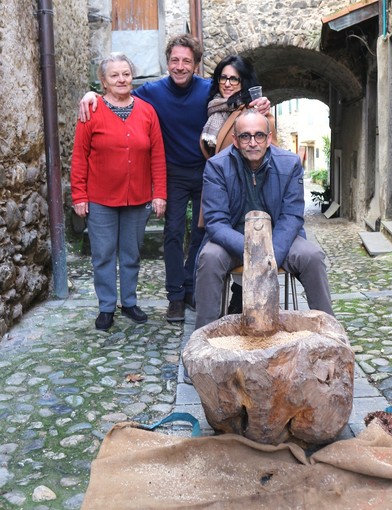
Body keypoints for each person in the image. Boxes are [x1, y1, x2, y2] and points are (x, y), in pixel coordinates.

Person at [78, 35, 271, 323]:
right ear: (167, 62)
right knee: (172, 233)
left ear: (196, 65)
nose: (180, 66)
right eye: (175, 60)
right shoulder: (151, 92)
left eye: (187, 61)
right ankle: (175, 296)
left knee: (202, 233)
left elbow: (239, 100)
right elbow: (119, 96)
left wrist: (262, 101)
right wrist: (90, 95)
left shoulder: (210, 90)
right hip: (173, 173)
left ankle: (192, 289)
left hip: (209, 172)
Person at [194, 109, 335, 330]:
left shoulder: (289, 164)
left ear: (269, 138)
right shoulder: (217, 166)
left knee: (312, 256)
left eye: (259, 135)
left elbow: (292, 217)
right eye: (245, 136)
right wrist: (253, 250)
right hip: (233, 239)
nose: (252, 142)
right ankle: (203, 338)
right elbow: (216, 222)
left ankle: (329, 332)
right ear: (235, 140)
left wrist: (270, 254)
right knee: (209, 258)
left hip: (279, 238)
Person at [71, 52, 167, 331]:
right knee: (102, 254)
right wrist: (79, 195)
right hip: (100, 198)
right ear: (103, 81)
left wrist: (159, 193)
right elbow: (79, 156)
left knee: (131, 253)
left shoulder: (147, 111)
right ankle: (106, 307)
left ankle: (129, 302)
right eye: (114, 75)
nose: (121, 79)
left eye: (125, 73)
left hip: (137, 198)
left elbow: (157, 156)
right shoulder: (91, 110)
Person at [199, 55, 278, 313]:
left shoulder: (253, 111)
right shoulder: (216, 108)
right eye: (223, 77)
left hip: (249, 191)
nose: (228, 83)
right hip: (219, 190)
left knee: (222, 250)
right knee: (206, 252)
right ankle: (217, 310)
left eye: (235, 78)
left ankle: (239, 302)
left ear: (244, 82)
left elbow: (271, 150)